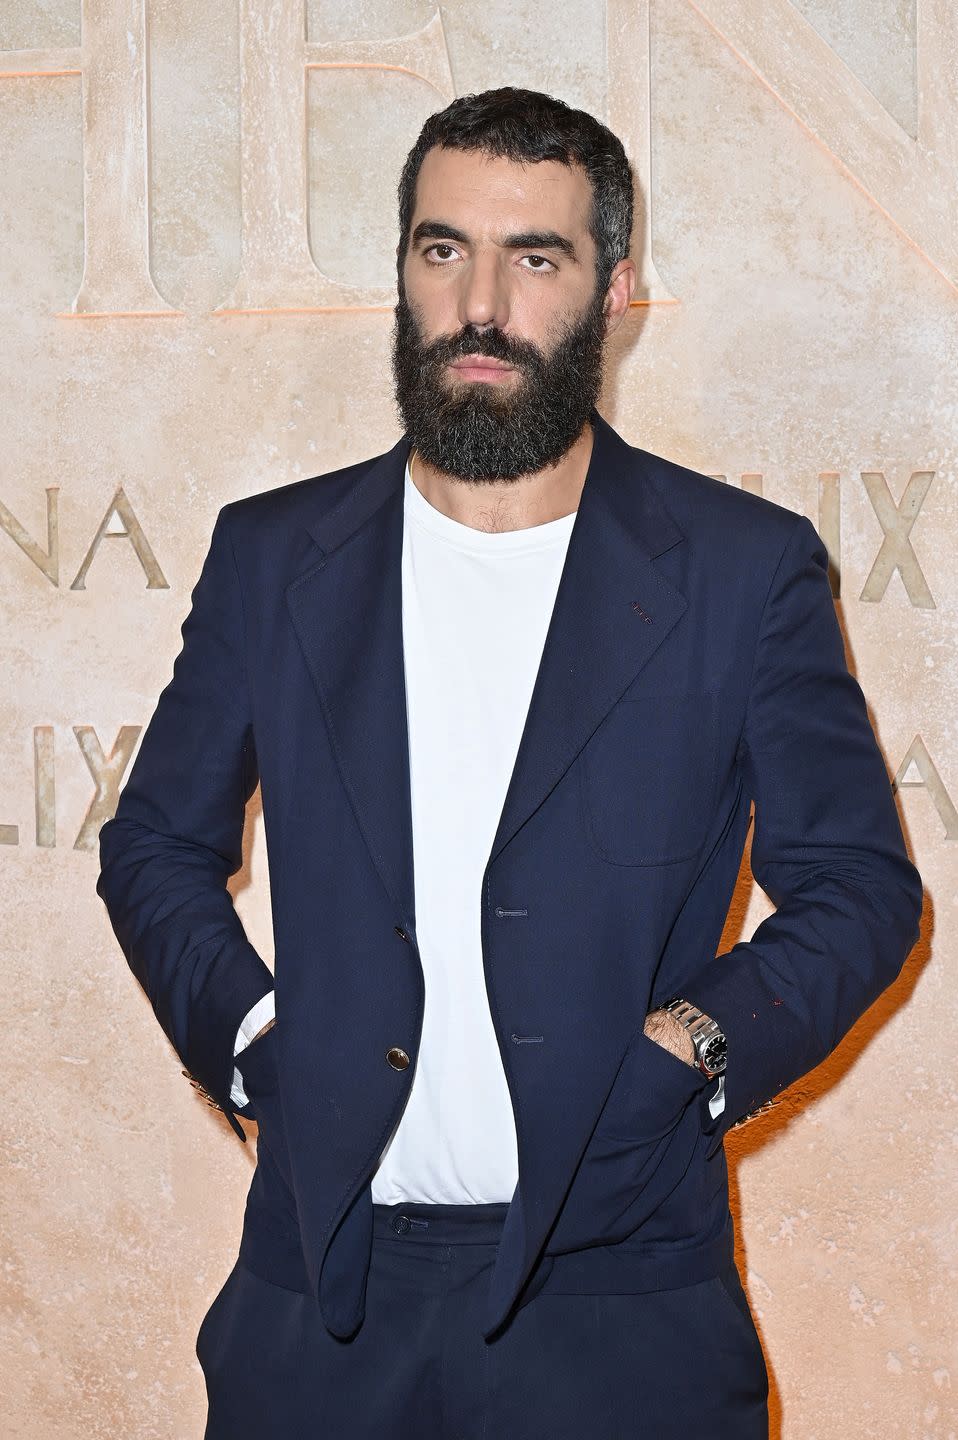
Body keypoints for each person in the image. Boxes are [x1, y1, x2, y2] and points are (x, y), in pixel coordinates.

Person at [96, 87, 922, 1440]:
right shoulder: (271, 553)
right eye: (442, 251)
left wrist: (689, 1050)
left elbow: (855, 887)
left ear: (614, 289)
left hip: (623, 1302)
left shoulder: (741, 569)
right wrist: (252, 1045)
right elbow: (155, 849)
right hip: (321, 1299)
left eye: (533, 258)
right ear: (404, 273)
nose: (481, 301)